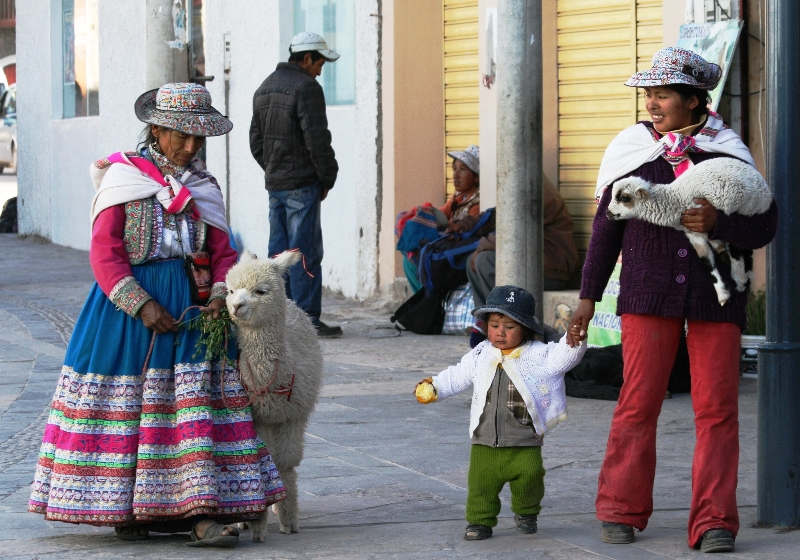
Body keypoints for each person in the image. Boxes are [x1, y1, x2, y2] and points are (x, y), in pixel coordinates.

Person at [29, 83, 286, 548]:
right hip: (128, 315)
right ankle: (131, 508)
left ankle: (201, 510)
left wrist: (221, 294)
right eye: (180, 136)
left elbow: (223, 250)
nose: (190, 148)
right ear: (156, 129)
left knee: (191, 410)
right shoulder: (123, 179)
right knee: (132, 408)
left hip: (193, 310)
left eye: (198, 139)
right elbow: (105, 252)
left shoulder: (203, 187)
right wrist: (140, 303)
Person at [566, 48, 778, 553]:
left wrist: (720, 224)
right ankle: (620, 508)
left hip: (716, 298)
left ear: (693, 100)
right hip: (647, 294)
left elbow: (765, 224)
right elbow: (605, 230)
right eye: (649, 94)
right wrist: (587, 298)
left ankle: (714, 522)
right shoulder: (630, 150)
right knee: (637, 402)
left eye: (663, 94)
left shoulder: (729, 153)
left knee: (717, 410)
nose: (652, 103)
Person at [414, 286, 587, 540]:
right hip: (485, 438)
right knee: (480, 485)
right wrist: (435, 387)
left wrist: (576, 340)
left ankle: (527, 512)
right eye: (495, 325)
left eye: (509, 326)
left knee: (530, 478)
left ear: (525, 329)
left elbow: (563, 357)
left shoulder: (538, 355)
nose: (500, 333)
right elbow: (458, 374)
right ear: (486, 326)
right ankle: (479, 522)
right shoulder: (481, 353)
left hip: (524, 439)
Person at [249, 31, 342, 338]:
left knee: (278, 256)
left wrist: (274, 170)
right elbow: (317, 139)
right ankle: (306, 321)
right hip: (302, 183)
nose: (320, 70)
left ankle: (279, 317)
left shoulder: (265, 87)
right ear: (306, 59)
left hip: (277, 184)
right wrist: (326, 176)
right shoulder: (307, 87)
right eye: (319, 63)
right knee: (304, 256)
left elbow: (256, 142)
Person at [467, 179, 579, 346]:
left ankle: (512, 322)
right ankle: (488, 324)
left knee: (484, 261)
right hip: (536, 261)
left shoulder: (533, 190)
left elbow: (513, 233)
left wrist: (481, 248)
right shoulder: (522, 185)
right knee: (473, 261)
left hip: (552, 268)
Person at [397, 146, 482, 293]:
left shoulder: (477, 204)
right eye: (454, 168)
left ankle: (428, 300)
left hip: (456, 254)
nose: (455, 175)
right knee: (410, 257)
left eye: (462, 169)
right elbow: (441, 215)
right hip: (447, 247)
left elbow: (468, 231)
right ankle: (423, 299)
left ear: (476, 177)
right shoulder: (458, 198)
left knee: (419, 259)